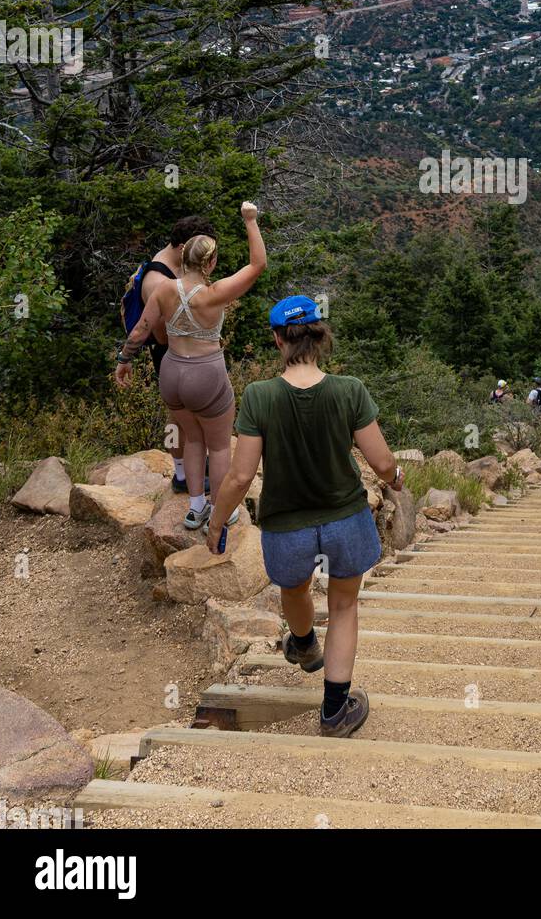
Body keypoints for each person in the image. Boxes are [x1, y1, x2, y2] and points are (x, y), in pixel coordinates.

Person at [206, 295, 404, 739]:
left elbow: (239, 477)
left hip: (286, 524)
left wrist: (217, 522)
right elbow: (382, 460)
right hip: (346, 519)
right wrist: (395, 478)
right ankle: (335, 712)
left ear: (278, 340)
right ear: (321, 337)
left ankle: (304, 641)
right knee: (344, 605)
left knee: (293, 588)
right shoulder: (349, 389)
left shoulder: (259, 396)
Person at [117, 201, 266, 529]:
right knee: (219, 443)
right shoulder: (215, 293)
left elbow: (142, 329)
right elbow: (258, 264)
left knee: (192, 438)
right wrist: (250, 220)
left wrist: (124, 359)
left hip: (171, 372)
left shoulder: (163, 289)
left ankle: (196, 507)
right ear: (211, 261)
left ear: (183, 256)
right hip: (205, 372)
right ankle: (220, 509)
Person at [116, 215, 217, 492]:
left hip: (185, 352)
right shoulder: (158, 280)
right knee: (179, 418)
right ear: (184, 245)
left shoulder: (177, 261)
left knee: (191, 416)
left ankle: (195, 462)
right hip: (171, 355)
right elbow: (158, 333)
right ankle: (181, 475)